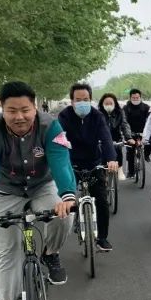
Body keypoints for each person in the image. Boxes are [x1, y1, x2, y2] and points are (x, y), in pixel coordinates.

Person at [0, 81, 77, 300]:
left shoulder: (51, 126)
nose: (19, 116)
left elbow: (60, 161)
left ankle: (50, 253)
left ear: (35, 107)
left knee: (65, 214)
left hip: (43, 185)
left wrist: (67, 194)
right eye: (11, 111)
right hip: (5, 191)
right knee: (6, 251)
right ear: (1, 109)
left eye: (25, 110)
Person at [58, 83, 119, 252]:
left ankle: (102, 238)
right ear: (72, 101)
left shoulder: (97, 116)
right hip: (71, 163)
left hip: (93, 162)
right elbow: (58, 139)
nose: (82, 103)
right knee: (65, 199)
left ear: (90, 100)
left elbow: (106, 138)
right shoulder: (64, 116)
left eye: (85, 99)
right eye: (78, 100)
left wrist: (111, 159)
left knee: (101, 200)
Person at [99, 92, 133, 178]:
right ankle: (102, 174)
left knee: (118, 152)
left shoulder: (120, 112)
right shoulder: (98, 113)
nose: (108, 105)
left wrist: (128, 138)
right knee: (101, 157)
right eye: (106, 103)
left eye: (111, 103)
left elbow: (125, 125)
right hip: (102, 139)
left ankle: (120, 169)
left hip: (116, 138)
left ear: (114, 103)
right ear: (102, 104)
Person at [123, 88, 151, 180]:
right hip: (130, 133)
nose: (135, 99)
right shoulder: (126, 108)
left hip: (143, 131)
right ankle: (131, 172)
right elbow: (124, 121)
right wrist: (128, 135)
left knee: (150, 140)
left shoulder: (146, 107)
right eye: (133, 98)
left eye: (137, 97)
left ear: (140, 97)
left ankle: (146, 155)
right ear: (130, 98)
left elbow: (150, 120)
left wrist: (147, 131)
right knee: (130, 152)